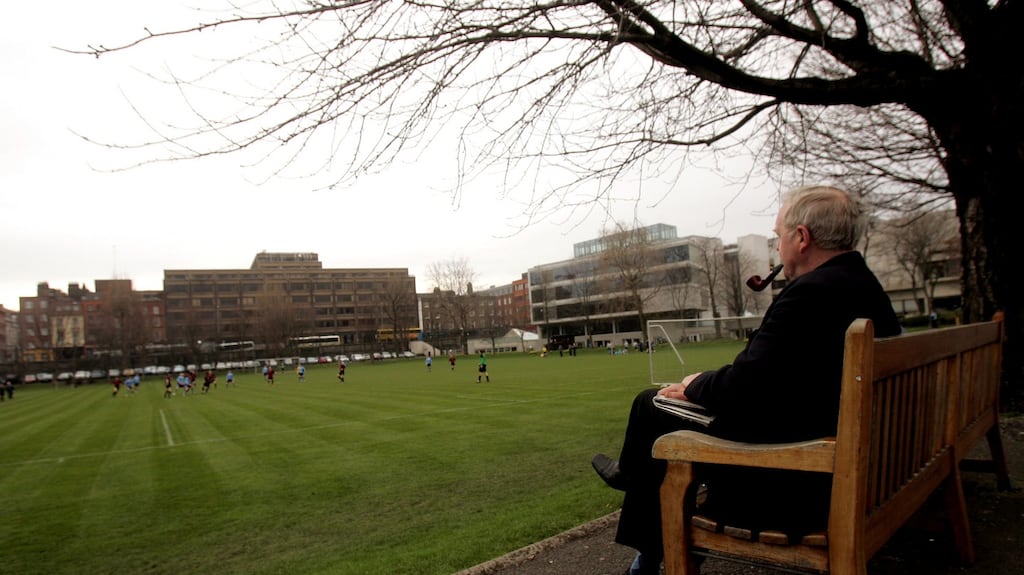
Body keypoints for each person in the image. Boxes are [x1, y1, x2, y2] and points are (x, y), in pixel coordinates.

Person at [591, 185, 902, 575]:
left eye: (778, 237)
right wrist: (706, 383)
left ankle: (644, 546)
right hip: (852, 449)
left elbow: (746, 387)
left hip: (800, 478)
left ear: (801, 238)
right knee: (663, 410)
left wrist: (694, 386)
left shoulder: (809, 294)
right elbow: (777, 375)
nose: (778, 247)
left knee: (651, 405)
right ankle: (642, 531)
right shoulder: (864, 285)